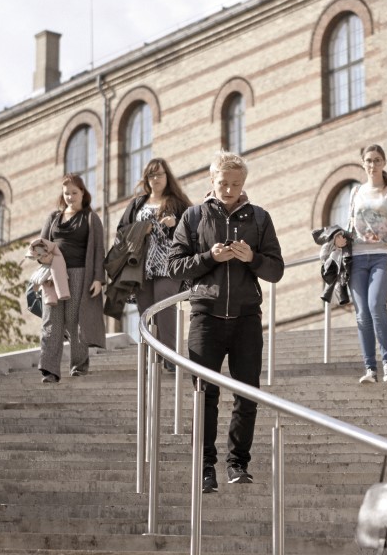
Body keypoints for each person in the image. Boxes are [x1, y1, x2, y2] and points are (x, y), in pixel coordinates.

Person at [168, 151, 284, 494]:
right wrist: (210, 257)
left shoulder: (260, 218)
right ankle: (205, 468)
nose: (229, 189)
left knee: (247, 395)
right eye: (223, 183)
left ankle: (238, 464)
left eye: (236, 184)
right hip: (205, 316)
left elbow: (276, 270)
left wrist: (253, 258)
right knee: (205, 395)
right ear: (212, 181)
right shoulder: (192, 217)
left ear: (243, 183)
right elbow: (174, 267)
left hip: (247, 317)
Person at [334, 144, 387, 384]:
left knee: (376, 304)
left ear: (384, 163)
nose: (373, 164)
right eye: (368, 160)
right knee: (362, 313)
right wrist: (339, 240)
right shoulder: (356, 192)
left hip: (383, 255)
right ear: (363, 163)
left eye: (377, 160)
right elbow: (351, 224)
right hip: (357, 256)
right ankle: (370, 368)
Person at [117, 158, 192, 371]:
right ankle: (152, 359)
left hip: (169, 265)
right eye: (151, 175)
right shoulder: (138, 203)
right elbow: (122, 230)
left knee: (165, 307)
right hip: (142, 266)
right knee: (147, 311)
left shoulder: (178, 202)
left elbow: (193, 229)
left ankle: (172, 360)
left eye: (159, 174)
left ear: (167, 177)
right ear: (146, 179)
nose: (155, 179)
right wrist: (142, 228)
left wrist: (175, 224)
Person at [38, 174, 106, 383]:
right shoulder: (53, 218)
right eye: (66, 193)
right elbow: (41, 245)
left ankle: (79, 366)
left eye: (74, 193)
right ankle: (49, 369)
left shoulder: (90, 218)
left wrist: (97, 279)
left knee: (76, 320)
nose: (70, 197)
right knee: (52, 320)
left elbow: (98, 250)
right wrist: (43, 257)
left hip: (80, 274)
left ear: (83, 193)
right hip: (53, 275)